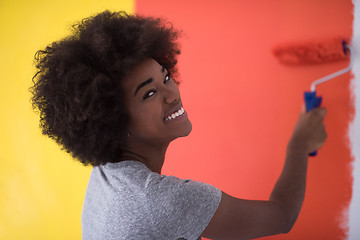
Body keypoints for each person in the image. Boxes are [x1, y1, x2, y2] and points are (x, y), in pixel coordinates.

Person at [30, 10, 327, 240]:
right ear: (114, 121)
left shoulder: (106, 174)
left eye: (166, 77)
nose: (172, 95)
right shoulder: (164, 200)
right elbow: (282, 216)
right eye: (149, 93)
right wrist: (299, 143)